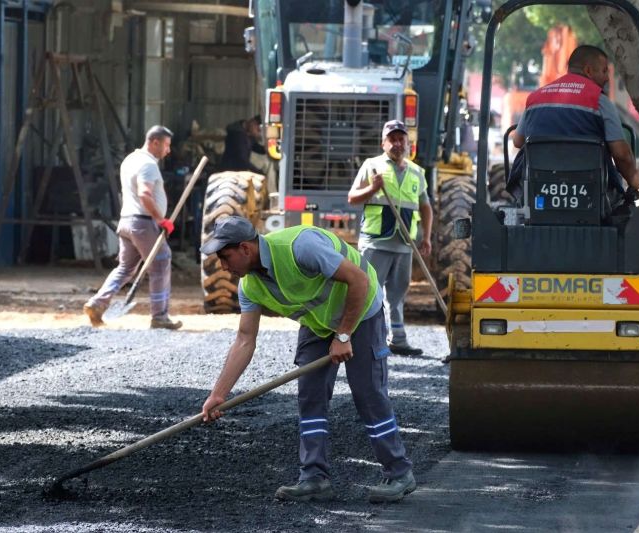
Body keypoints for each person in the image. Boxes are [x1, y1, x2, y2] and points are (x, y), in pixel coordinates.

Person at [199, 215, 415, 504]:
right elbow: (244, 340)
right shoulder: (249, 286)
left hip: (361, 309)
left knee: (367, 391)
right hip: (319, 323)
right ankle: (314, 478)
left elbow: (359, 279)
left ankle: (399, 472)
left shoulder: (300, 246)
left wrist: (343, 336)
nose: (224, 267)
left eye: (226, 257)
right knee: (310, 395)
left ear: (245, 249)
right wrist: (218, 394)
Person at [508, 45, 639, 202]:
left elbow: (517, 141)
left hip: (538, 189)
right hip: (590, 193)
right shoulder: (600, 101)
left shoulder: (535, 97)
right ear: (588, 71)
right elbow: (621, 154)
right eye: (604, 71)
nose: (607, 78)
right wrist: (634, 180)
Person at [83, 125, 182, 330]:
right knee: (161, 262)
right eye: (166, 145)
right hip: (143, 222)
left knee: (125, 268)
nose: (168, 151)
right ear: (154, 142)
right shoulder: (148, 165)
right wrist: (160, 219)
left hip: (127, 220)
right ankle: (159, 316)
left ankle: (97, 303)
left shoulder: (129, 160)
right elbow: (145, 194)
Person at [347, 119, 433, 356]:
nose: (397, 143)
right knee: (367, 290)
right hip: (376, 240)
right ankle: (360, 339)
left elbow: (425, 207)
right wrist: (372, 189)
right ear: (383, 143)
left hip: (405, 242)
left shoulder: (417, 172)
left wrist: (426, 237)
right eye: (392, 139)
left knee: (397, 293)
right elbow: (352, 198)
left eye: (401, 139)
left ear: (408, 143)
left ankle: (398, 339)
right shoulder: (372, 165)